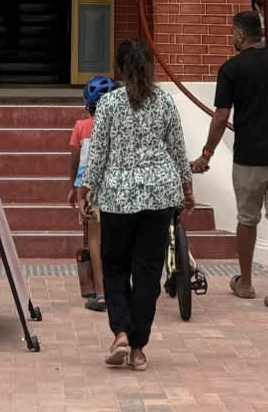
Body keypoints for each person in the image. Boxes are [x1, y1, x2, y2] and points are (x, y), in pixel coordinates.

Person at [77, 39, 193, 373]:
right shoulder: (165, 102)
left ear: (121, 69)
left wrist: (86, 189)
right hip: (159, 194)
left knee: (115, 266)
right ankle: (138, 348)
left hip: (118, 196)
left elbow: (98, 152)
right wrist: (187, 187)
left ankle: (122, 333)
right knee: (147, 271)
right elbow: (176, 147)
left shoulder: (109, 104)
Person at [193, 11, 268, 311]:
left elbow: (220, 117)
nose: (232, 38)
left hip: (249, 157)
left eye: (233, 33)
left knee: (247, 219)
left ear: (241, 36)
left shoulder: (231, 68)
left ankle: (245, 282)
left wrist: (207, 154)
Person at [70, 75, 117, 313]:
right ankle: (119, 289)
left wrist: (73, 188)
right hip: (115, 188)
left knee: (94, 241)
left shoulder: (81, 127)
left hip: (88, 190)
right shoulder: (118, 126)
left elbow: (76, 161)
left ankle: (100, 294)